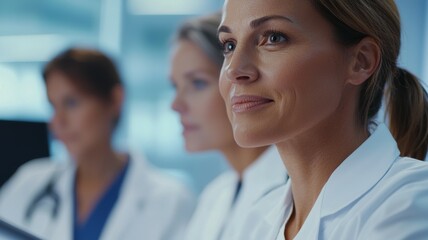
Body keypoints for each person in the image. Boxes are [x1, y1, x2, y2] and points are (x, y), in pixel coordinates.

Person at [217, 0, 428, 239]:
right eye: (229, 45)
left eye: (274, 38)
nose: (234, 70)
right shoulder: (256, 220)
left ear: (361, 61)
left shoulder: (410, 206)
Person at [0, 48, 195, 240]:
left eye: (71, 103)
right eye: (53, 106)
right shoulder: (29, 183)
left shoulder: (170, 201)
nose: (57, 121)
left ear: (115, 100)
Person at [170, 13, 287, 240]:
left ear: (236, 81)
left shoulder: (293, 191)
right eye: (175, 86)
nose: (176, 105)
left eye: (197, 83)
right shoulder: (214, 197)